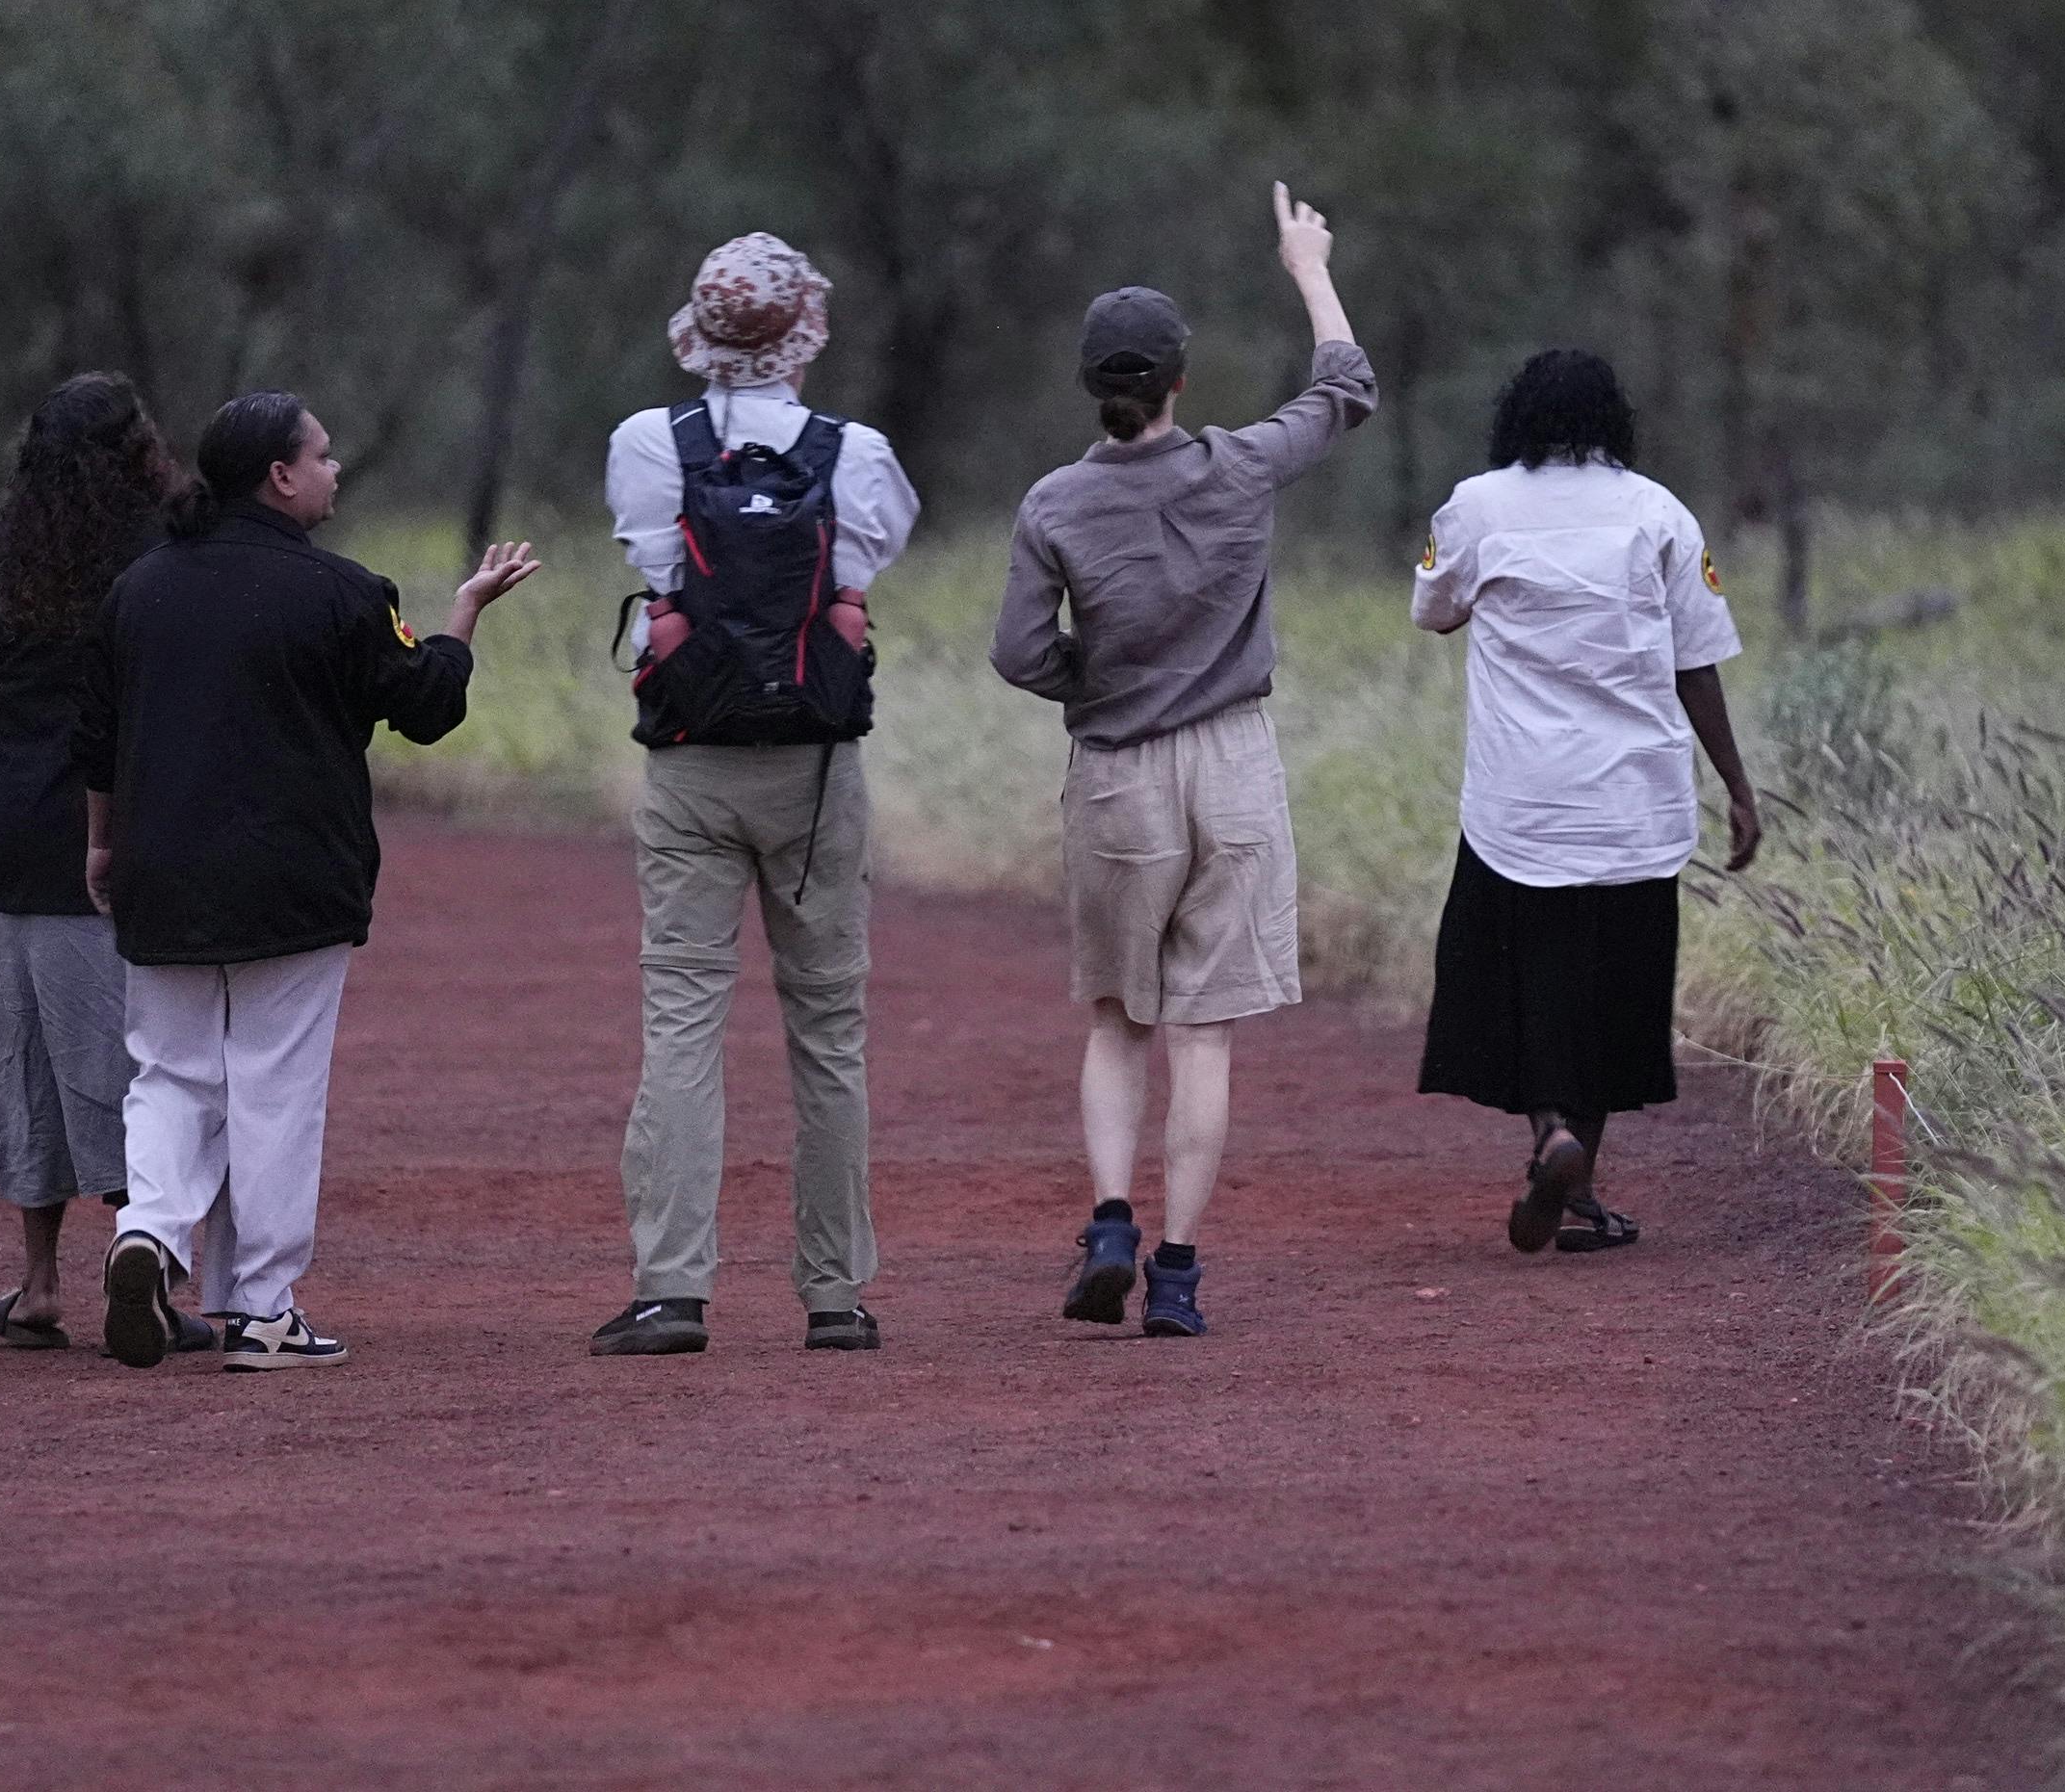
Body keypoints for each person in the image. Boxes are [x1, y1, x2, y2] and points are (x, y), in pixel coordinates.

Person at [76, 392, 536, 1370]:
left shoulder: (139, 591)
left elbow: (96, 735)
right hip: (293, 880)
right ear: (280, 476)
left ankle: (147, 1236)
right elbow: (426, 709)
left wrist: (102, 844)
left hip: (160, 872)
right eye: (324, 456)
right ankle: (261, 1311)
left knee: (168, 1072)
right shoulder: (341, 594)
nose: (336, 471)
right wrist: (460, 617)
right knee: (273, 1087)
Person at [991, 182, 1374, 1338]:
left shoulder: (1054, 504)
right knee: (1205, 1034)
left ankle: (1109, 1219)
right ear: (1175, 383)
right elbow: (1346, 387)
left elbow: (1018, 652)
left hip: (1118, 769)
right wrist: (1306, 264)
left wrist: (1097, 682)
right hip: (1235, 765)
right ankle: (1180, 1273)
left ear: (1092, 386)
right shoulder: (1239, 465)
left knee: (1120, 1020)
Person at [593, 235, 919, 1359]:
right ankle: (836, 1295)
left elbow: (652, 569)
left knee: (681, 1017)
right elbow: (869, 566)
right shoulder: (857, 452)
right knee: (828, 1031)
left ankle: (670, 1288)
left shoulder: (647, 442)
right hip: (820, 767)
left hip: (689, 759)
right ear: (802, 333)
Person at [1407, 349, 1761, 1255]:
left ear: (1516, 417)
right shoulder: (1658, 512)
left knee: (1525, 986)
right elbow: (1697, 663)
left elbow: (1436, 610)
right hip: (1634, 807)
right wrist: (1738, 786)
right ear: (1615, 421)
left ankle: (1550, 1137)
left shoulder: (1477, 504)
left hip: (1519, 807)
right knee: (1614, 1000)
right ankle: (1580, 1190)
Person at [0, 373, 226, 1356]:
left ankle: (38, 1281)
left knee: (26, 1067)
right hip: (129, 838)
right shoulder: (171, 551)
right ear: (141, 448)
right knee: (144, 1066)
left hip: (13, 843)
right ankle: (153, 1273)